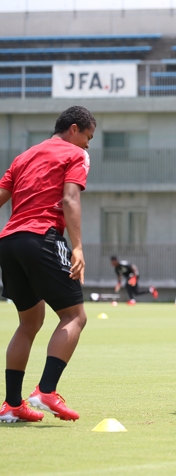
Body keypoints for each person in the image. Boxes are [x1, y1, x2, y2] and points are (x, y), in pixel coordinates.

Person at [0, 106, 96, 423]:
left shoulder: (23, 157)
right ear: (73, 129)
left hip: (9, 242)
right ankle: (46, 391)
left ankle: (12, 404)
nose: (87, 146)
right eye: (87, 138)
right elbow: (70, 199)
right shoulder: (74, 155)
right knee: (74, 316)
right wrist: (78, 247)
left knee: (29, 322)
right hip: (42, 237)